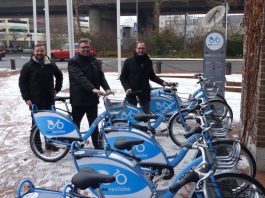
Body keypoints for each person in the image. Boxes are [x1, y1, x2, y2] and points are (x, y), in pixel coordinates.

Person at [68, 38, 114, 149]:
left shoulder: (94, 60)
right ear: (78, 49)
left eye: (87, 47)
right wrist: (92, 89)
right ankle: (75, 145)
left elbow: (101, 76)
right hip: (78, 99)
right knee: (76, 124)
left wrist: (107, 88)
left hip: (92, 99)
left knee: (94, 124)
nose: (85, 49)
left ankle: (97, 145)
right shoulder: (73, 61)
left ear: (90, 48)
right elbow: (80, 78)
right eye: (83, 47)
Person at [19, 43, 63, 153]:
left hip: (49, 99)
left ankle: (49, 144)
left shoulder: (50, 64)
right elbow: (22, 83)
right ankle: (37, 146)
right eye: (37, 51)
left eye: (41, 51)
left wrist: (57, 89)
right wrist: (26, 98)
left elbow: (59, 75)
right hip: (35, 101)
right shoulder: (28, 66)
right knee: (36, 124)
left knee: (50, 123)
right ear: (34, 52)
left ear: (45, 52)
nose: (39, 53)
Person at [120, 41, 172, 114]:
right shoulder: (128, 61)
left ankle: (146, 125)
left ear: (145, 49)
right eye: (139, 48)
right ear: (136, 49)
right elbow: (123, 77)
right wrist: (127, 88)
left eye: (143, 48)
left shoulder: (148, 61)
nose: (141, 50)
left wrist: (163, 82)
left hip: (144, 93)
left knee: (146, 115)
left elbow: (152, 76)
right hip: (132, 93)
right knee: (131, 115)